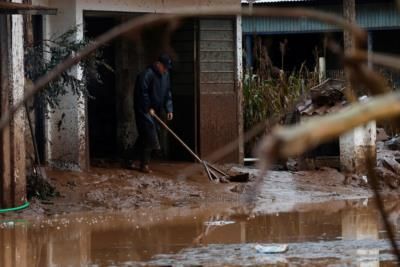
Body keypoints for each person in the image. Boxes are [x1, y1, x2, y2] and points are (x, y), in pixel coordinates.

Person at [132, 54, 174, 173]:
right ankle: (144, 164)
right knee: (150, 134)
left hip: (156, 110)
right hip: (143, 110)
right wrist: (148, 107)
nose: (165, 70)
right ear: (158, 64)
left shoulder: (165, 75)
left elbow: (167, 93)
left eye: (167, 68)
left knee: (145, 136)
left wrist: (169, 109)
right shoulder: (146, 74)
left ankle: (130, 160)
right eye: (164, 67)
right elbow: (142, 93)